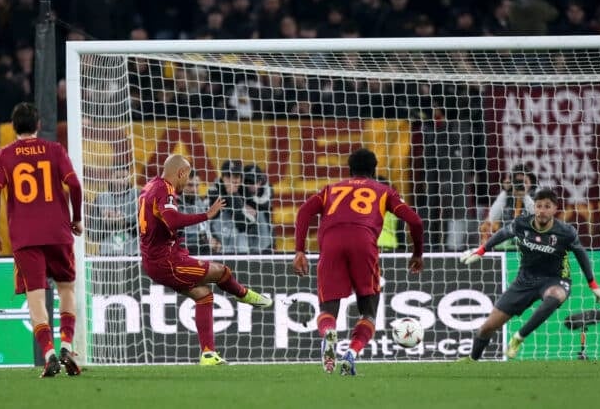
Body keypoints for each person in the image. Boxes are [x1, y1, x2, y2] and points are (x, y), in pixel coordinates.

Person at [293, 148, 424, 375]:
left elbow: (304, 211)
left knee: (328, 309)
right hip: (363, 244)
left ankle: (329, 333)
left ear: (349, 170)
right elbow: (416, 222)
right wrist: (417, 253)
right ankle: (351, 354)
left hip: (331, 244)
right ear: (374, 170)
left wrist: (299, 251)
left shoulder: (330, 190)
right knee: (368, 312)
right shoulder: (384, 191)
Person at [138, 154, 272, 365]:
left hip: (157, 258)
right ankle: (244, 294)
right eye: (187, 177)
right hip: (166, 261)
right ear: (181, 173)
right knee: (221, 271)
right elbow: (172, 220)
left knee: (203, 296)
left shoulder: (151, 185)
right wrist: (206, 215)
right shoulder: (165, 190)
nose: (186, 182)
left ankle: (208, 354)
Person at [0, 102, 83, 378]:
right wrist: (76, 218)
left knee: (36, 296)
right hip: (58, 232)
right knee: (67, 288)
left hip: (26, 237)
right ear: (38, 125)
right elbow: (74, 184)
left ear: (13, 127)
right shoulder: (55, 150)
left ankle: (49, 353)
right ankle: (67, 345)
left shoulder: (3, 155)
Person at [459, 188, 600, 361]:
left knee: (556, 295)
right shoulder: (522, 224)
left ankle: (518, 338)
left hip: (555, 279)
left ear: (555, 209)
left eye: (547, 206)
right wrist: (481, 251)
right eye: (539, 206)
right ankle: (472, 360)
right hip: (524, 281)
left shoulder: (565, 232)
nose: (542, 210)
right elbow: (503, 234)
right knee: (487, 327)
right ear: (534, 207)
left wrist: (593, 285)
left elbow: (581, 254)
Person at [479, 164, 537, 247]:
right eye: (517, 182)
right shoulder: (506, 196)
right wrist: (506, 191)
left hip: (530, 241)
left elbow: (537, 215)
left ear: (531, 182)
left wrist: (524, 196)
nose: (521, 185)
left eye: (524, 182)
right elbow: (493, 217)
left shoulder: (537, 195)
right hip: (506, 241)